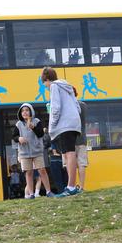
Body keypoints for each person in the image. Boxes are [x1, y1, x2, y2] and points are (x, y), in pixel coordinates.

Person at [41, 67, 82, 197]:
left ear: (47, 79)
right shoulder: (68, 87)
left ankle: (70, 187)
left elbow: (56, 108)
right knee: (69, 153)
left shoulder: (54, 87)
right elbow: (78, 108)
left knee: (69, 154)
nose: (46, 87)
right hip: (74, 123)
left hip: (64, 125)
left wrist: (52, 126)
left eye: (44, 84)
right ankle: (71, 185)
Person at [12, 103, 55, 198]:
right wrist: (19, 138)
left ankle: (48, 192)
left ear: (31, 111)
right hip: (24, 153)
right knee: (29, 172)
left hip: (37, 151)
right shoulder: (18, 124)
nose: (25, 112)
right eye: (23, 111)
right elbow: (14, 136)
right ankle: (31, 194)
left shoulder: (37, 121)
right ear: (20, 113)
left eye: (27, 110)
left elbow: (40, 134)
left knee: (42, 170)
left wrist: (33, 127)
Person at [72, 87, 89, 190]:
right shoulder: (83, 105)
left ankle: (72, 187)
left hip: (70, 139)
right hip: (82, 138)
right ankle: (82, 187)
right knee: (82, 163)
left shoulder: (68, 106)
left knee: (71, 164)